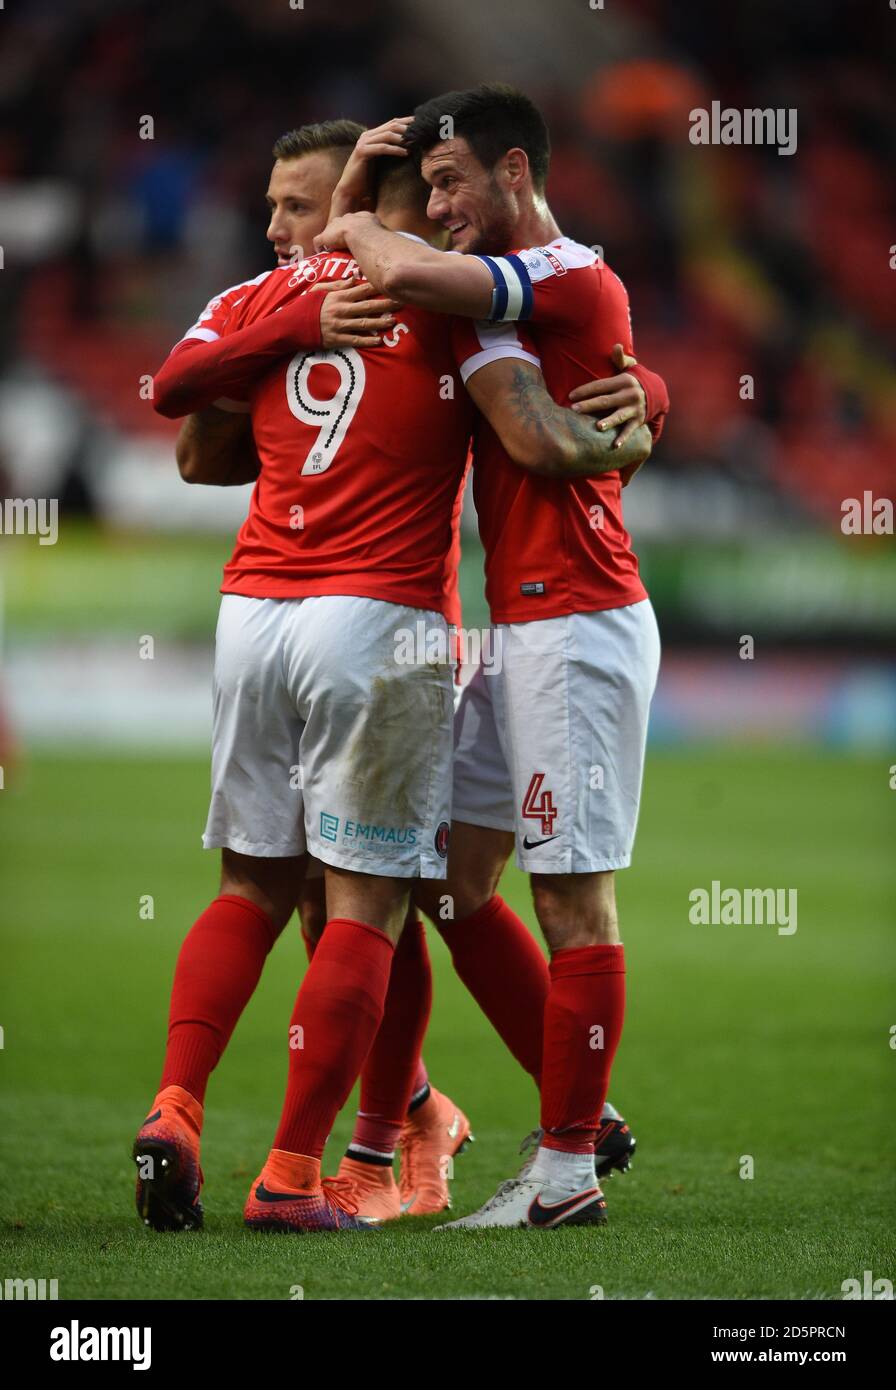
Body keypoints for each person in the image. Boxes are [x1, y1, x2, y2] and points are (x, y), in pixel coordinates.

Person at [136, 146, 654, 1233]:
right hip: (384, 622)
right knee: (373, 901)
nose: (281, 225)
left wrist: (281, 343)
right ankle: (318, 1161)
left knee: (285, 889)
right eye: (273, 206)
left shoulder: (257, 298)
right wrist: (643, 396)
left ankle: (209, 1112)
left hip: (257, 616)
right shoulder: (434, 300)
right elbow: (536, 415)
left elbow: (187, 437)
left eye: (297, 202)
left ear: (352, 197)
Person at [315, 83, 667, 1229]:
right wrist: (644, 399)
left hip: (577, 622)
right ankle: (587, 1114)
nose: (439, 205)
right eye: (428, 188)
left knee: (573, 899)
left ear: (514, 169)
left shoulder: (561, 272)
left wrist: (355, 201)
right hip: (516, 630)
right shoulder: (508, 307)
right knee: (446, 883)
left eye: (453, 181)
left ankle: (563, 1170)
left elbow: (409, 272)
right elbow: (563, 406)